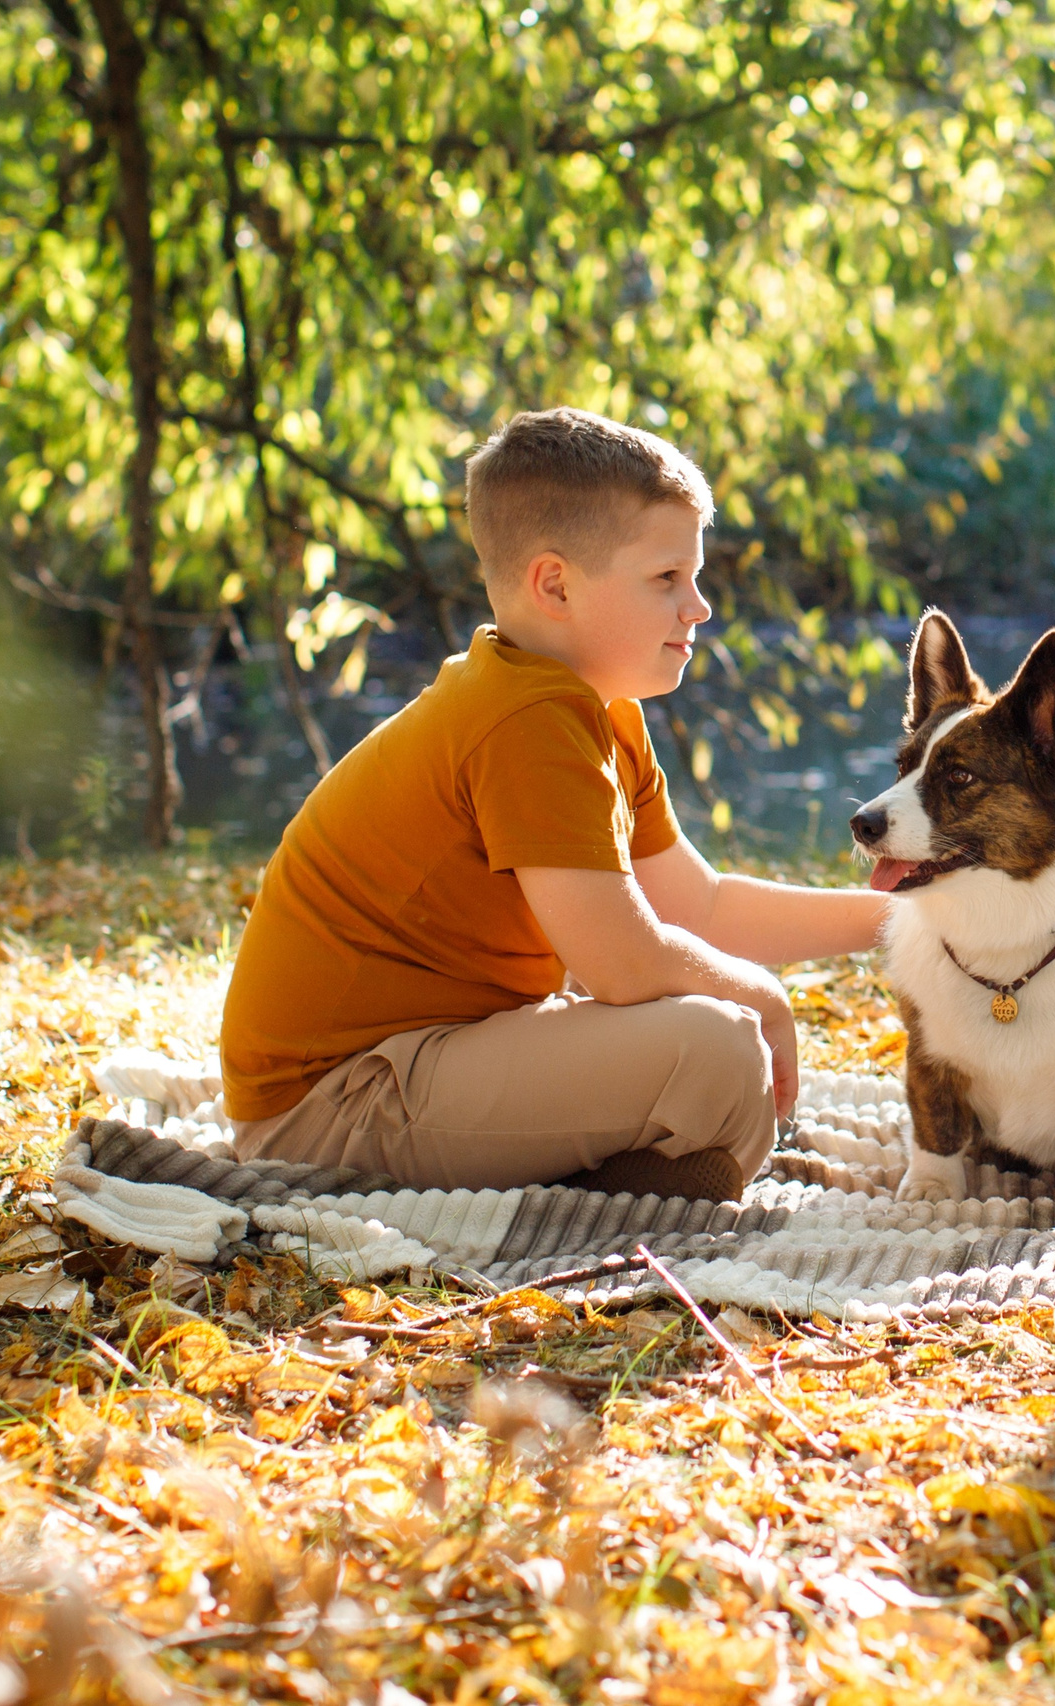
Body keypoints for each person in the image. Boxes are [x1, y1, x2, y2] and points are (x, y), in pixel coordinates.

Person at [219, 407, 885, 1198]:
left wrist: (904, 920)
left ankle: (618, 1171)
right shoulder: (525, 719)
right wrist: (761, 996)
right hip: (330, 1105)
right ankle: (612, 1179)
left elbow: (699, 906)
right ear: (556, 584)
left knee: (717, 1051)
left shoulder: (596, 714)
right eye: (668, 579)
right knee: (718, 1051)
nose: (697, 607)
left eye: (694, 578)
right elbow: (623, 964)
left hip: (427, 1057)